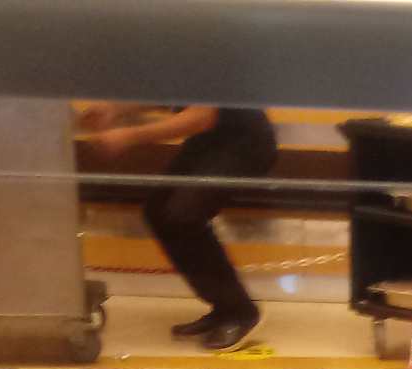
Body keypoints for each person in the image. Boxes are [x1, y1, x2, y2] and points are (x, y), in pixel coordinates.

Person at [78, 103, 278, 351]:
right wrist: (115, 111)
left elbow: (201, 117)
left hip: (243, 143)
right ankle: (224, 306)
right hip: (211, 139)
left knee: (184, 215)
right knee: (158, 211)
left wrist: (129, 136)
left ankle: (242, 312)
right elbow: (170, 96)